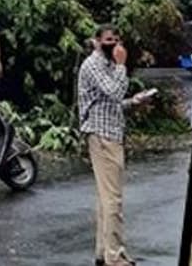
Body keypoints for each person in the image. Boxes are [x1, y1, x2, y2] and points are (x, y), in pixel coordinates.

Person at [79, 26, 154, 266]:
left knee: (105, 199)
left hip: (109, 132)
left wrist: (134, 101)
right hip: (103, 136)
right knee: (113, 199)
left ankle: (104, 252)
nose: (115, 44)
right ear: (97, 41)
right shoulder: (94, 65)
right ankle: (115, 256)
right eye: (109, 40)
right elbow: (113, 91)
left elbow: (112, 102)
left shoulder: (106, 64)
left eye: (117, 40)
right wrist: (122, 64)